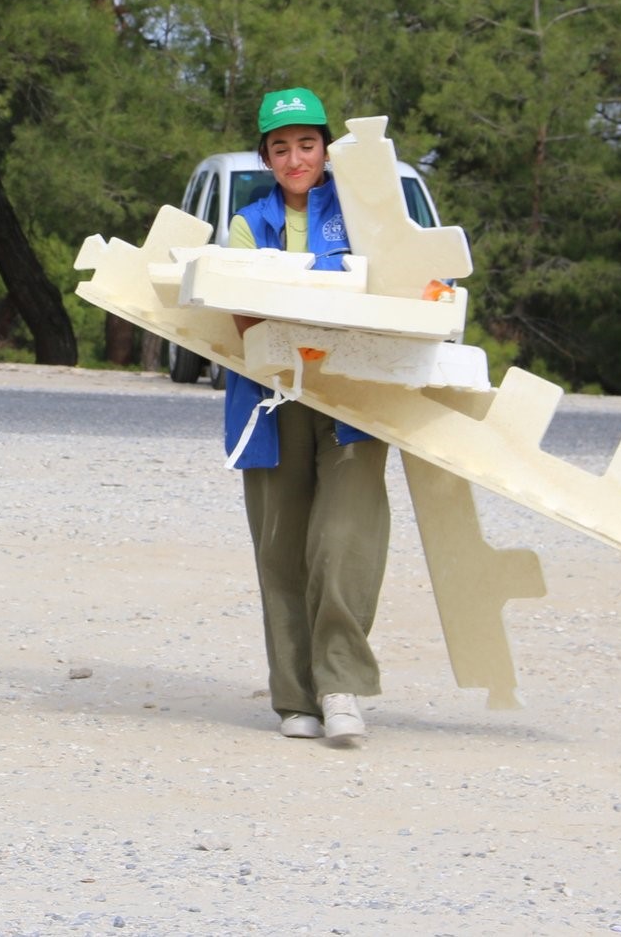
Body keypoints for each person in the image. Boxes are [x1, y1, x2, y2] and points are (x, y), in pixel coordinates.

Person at [223, 86, 391, 747]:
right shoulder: (247, 223)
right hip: (272, 393)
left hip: (353, 390)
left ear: (326, 149)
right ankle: (296, 695)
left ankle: (341, 683)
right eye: (282, 146)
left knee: (343, 538)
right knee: (282, 544)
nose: (297, 157)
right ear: (267, 155)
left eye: (308, 144)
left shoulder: (359, 213)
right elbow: (239, 312)